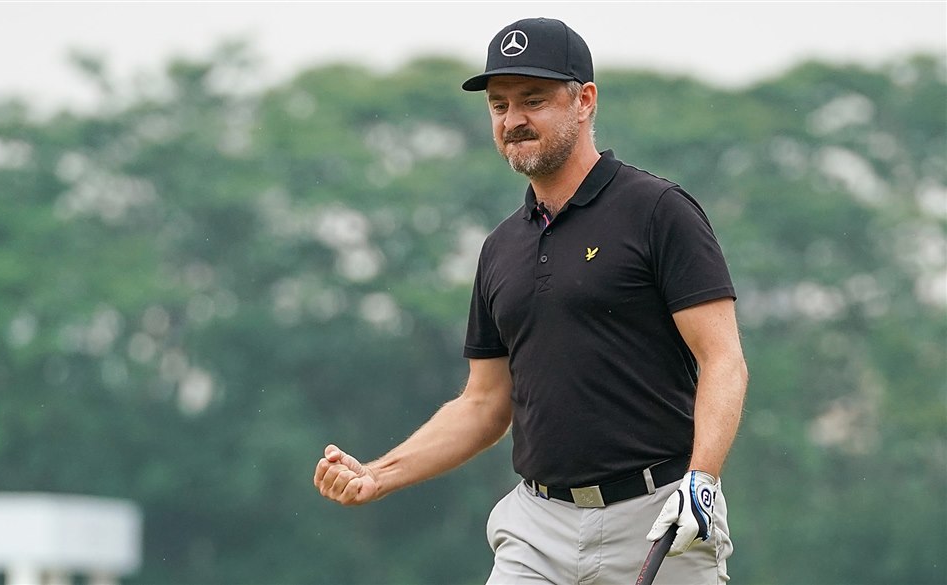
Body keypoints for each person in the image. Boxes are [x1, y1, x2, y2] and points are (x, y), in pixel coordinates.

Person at [313, 16, 748, 584]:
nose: (513, 120)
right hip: (536, 530)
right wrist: (379, 473)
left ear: (585, 100)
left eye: (533, 100)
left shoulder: (658, 211)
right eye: (499, 105)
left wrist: (703, 479)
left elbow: (723, 359)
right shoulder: (500, 248)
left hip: (661, 519)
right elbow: (485, 404)